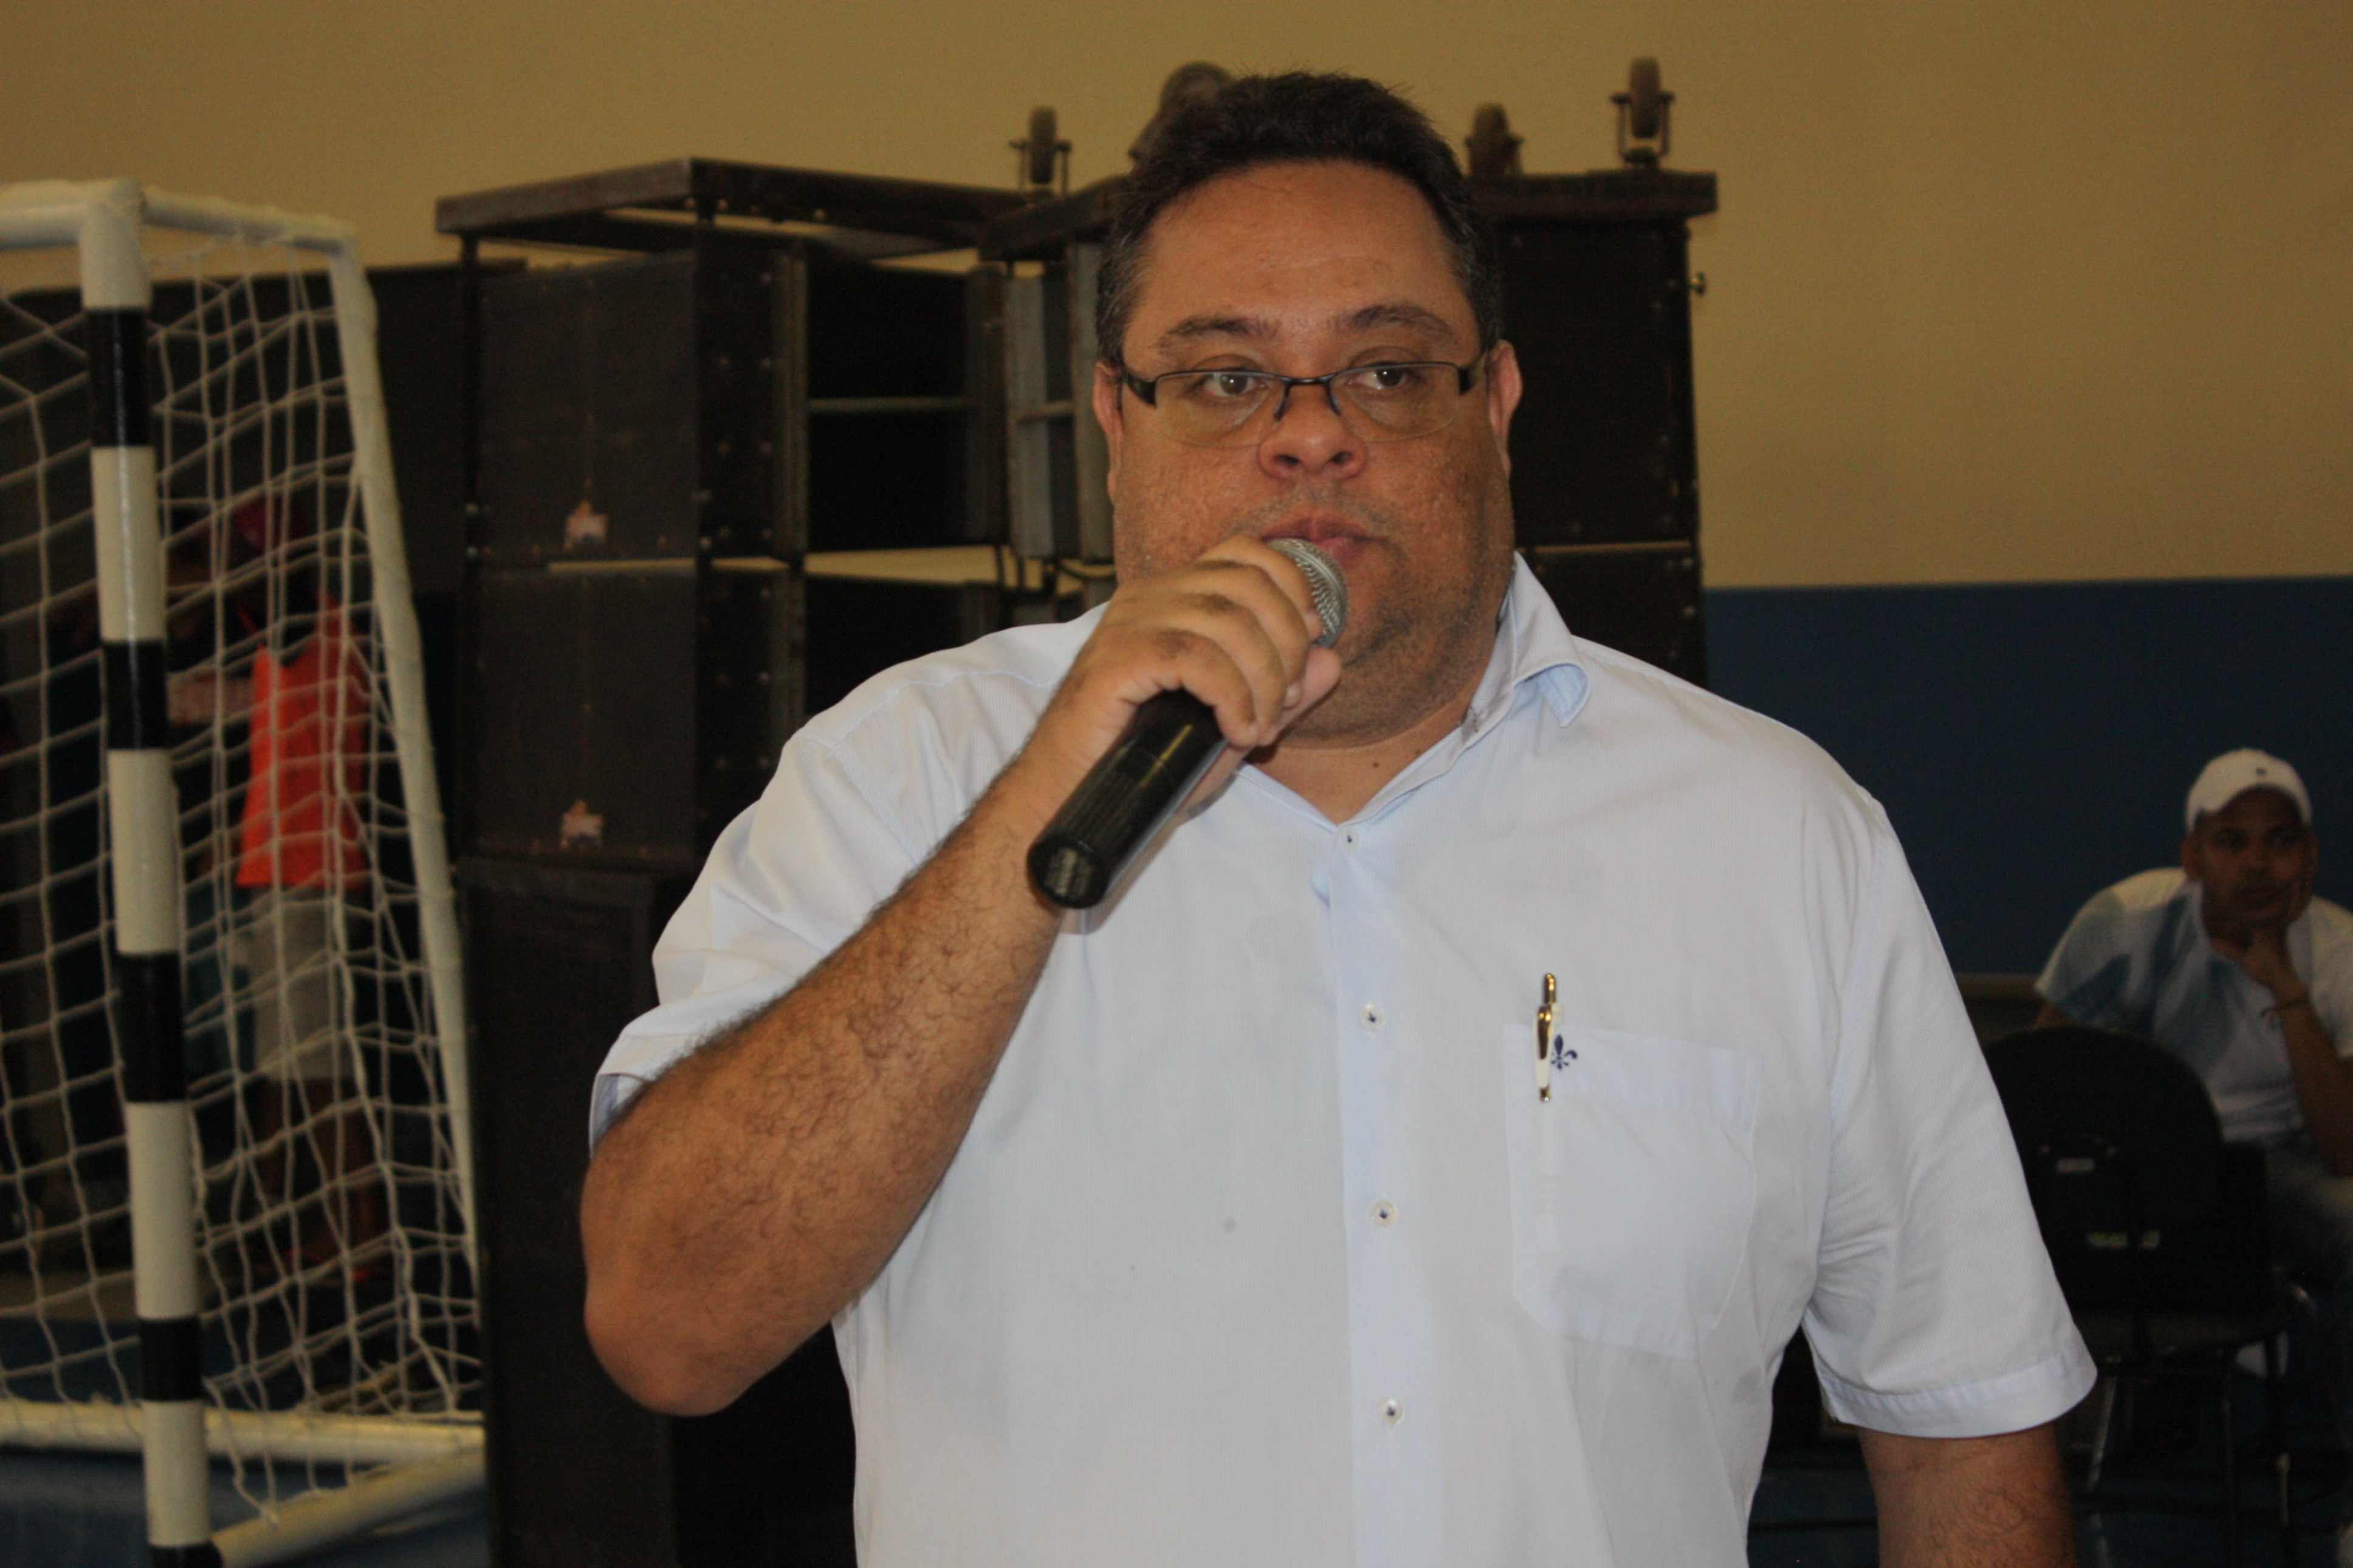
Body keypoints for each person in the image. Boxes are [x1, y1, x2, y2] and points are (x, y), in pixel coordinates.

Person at [582, 73, 2091, 1566]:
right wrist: (1033, 820)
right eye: (1224, 378)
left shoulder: (1776, 836)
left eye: (1384, 370)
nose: (1309, 438)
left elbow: (1962, 1419)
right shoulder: (898, 775)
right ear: (1114, 421)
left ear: (1494, 404)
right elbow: (668, 1324)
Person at [2036, 751, 2353, 1408]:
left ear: (2309, 856)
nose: (2257, 863)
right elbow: (2043, 1081)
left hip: (2276, 1163)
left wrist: (2285, 985)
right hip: (2146, 1164)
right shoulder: (2122, 922)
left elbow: (2344, 1150)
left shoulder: (2341, 951)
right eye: (2231, 841)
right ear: (2192, 857)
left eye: (2280, 841)